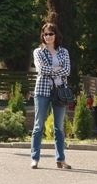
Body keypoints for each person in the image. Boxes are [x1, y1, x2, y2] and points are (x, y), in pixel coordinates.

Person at [30, 22, 72, 169]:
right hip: (42, 91)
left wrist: (52, 69)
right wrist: (57, 68)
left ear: (56, 35)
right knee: (38, 126)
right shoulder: (38, 52)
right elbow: (41, 69)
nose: (48, 36)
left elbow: (67, 70)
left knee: (59, 127)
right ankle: (34, 158)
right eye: (45, 34)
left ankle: (60, 159)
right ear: (43, 36)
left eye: (51, 34)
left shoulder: (63, 52)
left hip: (60, 92)